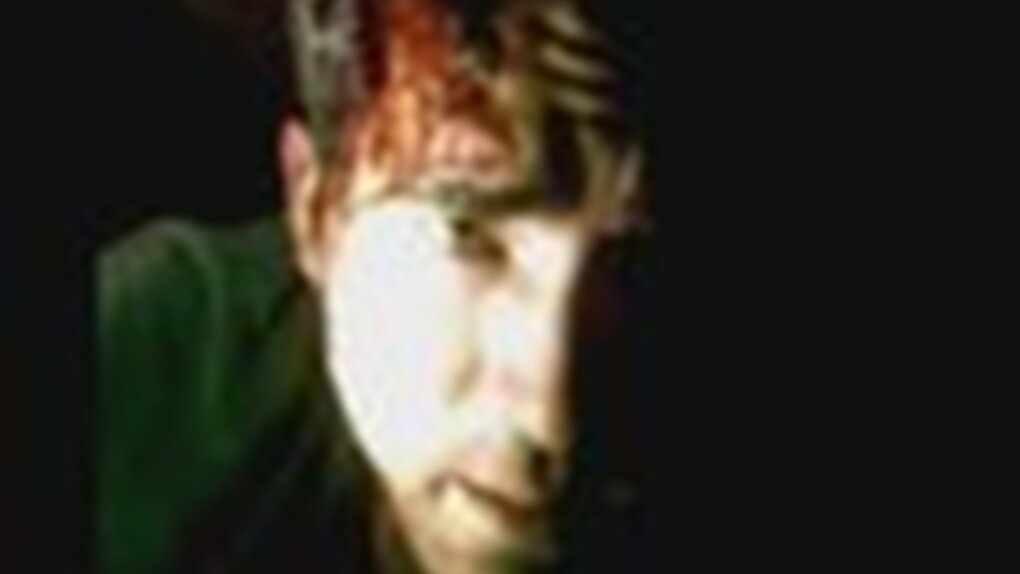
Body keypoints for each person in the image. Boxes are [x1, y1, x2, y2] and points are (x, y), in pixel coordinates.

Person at [98, 0, 653, 572]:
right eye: (466, 230)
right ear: (317, 216)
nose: (550, 414)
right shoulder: (153, 367)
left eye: (642, 263)